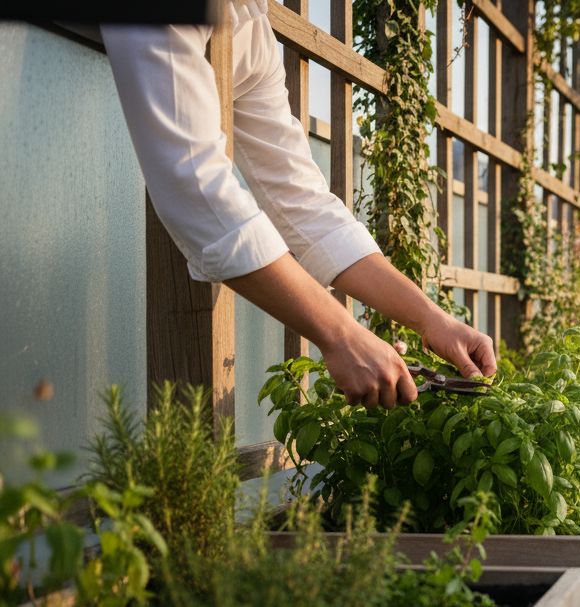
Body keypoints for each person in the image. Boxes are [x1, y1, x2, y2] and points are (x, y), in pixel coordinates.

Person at [100, 0, 495, 410]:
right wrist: (340, 334)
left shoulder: (250, 26)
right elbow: (195, 186)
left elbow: (301, 203)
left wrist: (433, 320)